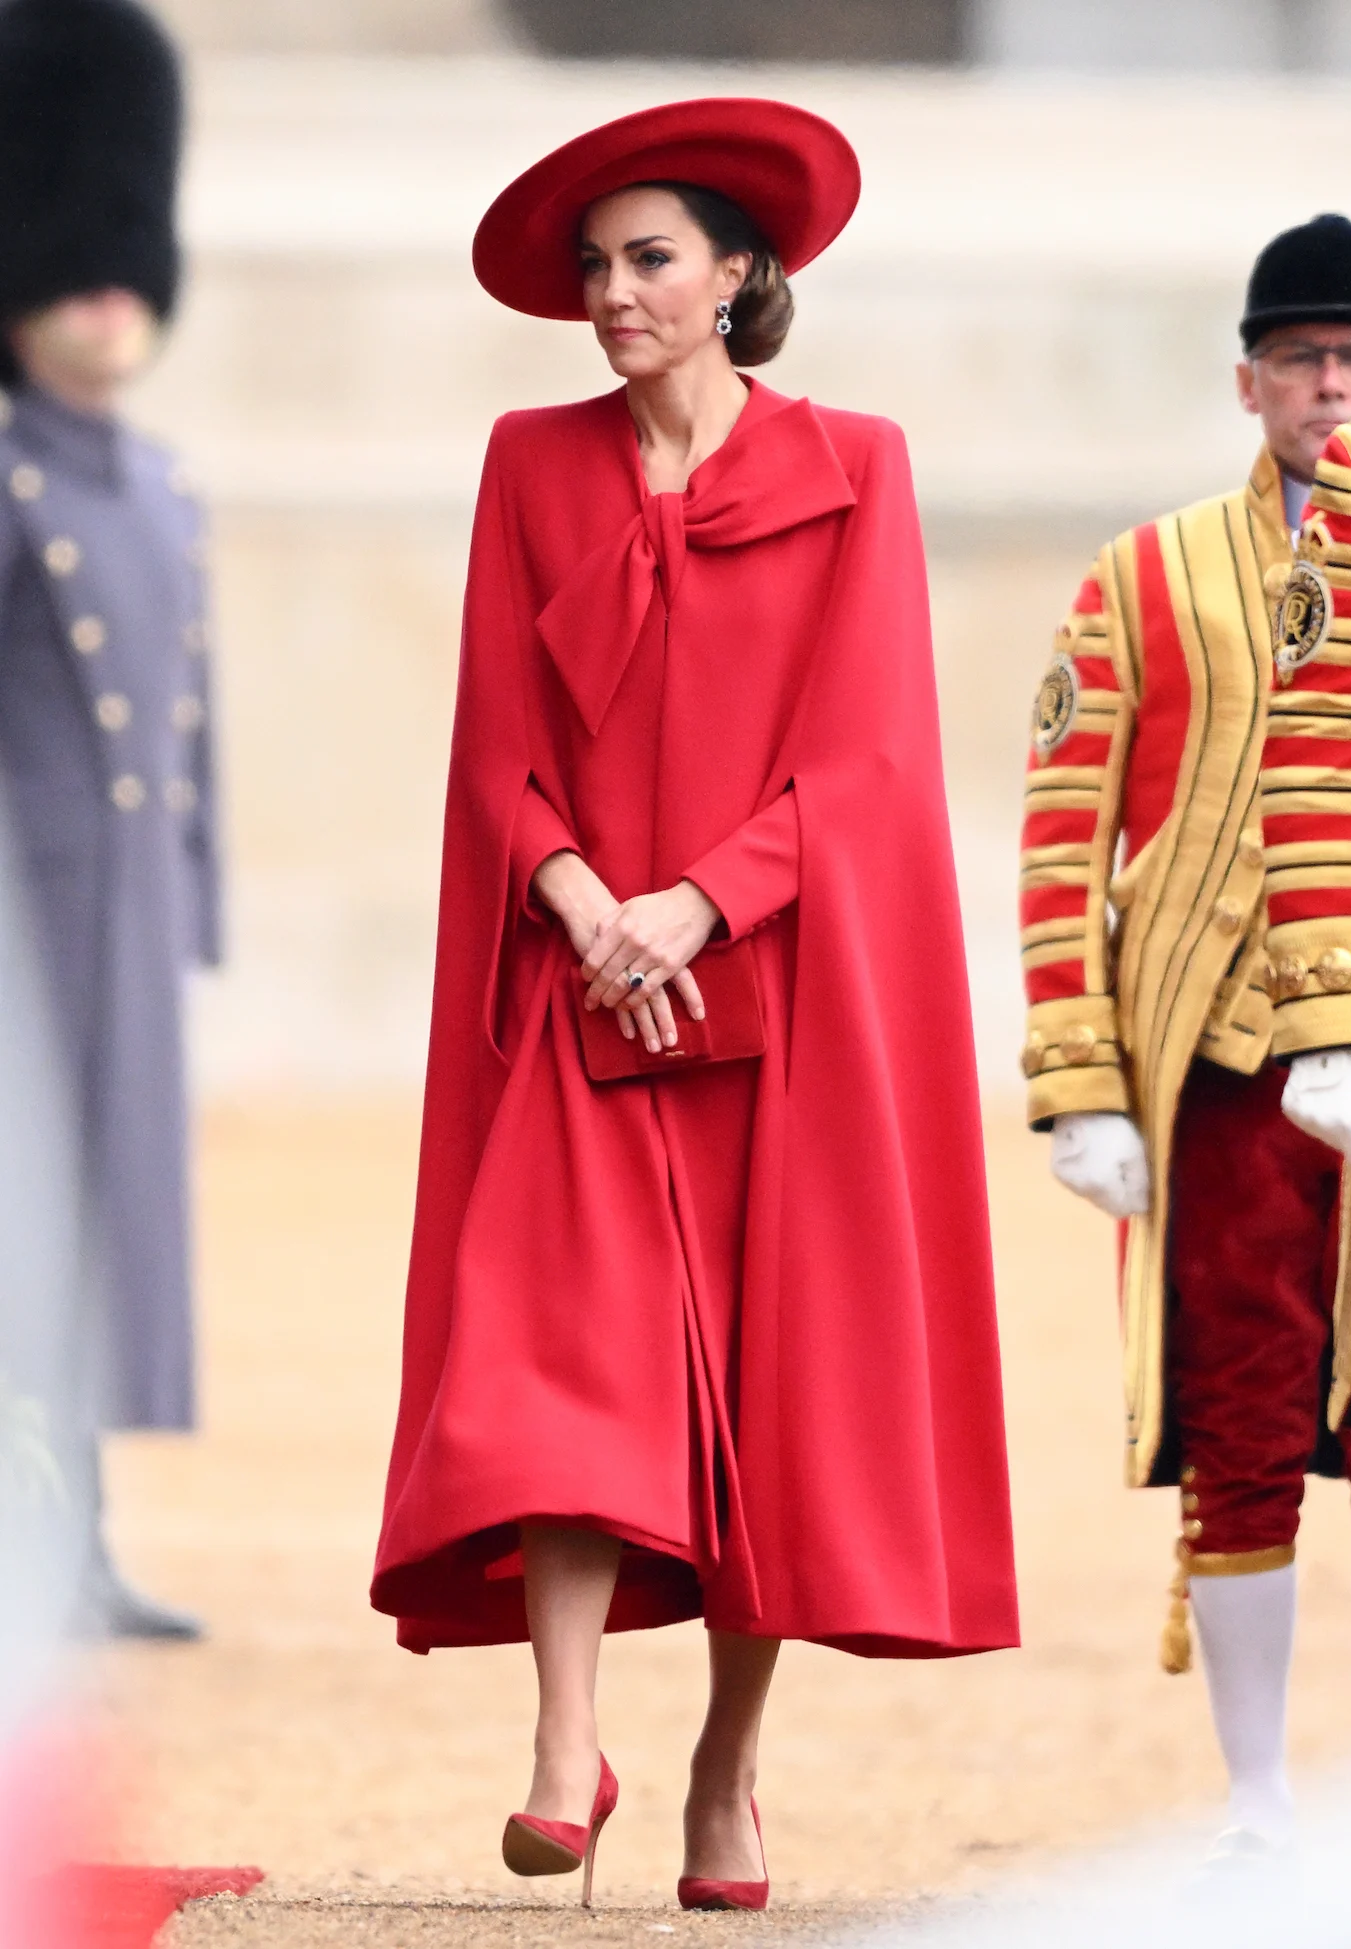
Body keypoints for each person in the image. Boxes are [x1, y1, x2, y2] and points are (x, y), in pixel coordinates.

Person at [372, 97, 1018, 1908]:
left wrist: (694, 907)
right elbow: (495, 742)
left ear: (742, 275)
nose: (611, 292)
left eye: (649, 258)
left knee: (763, 1406)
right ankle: (565, 1745)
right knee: (551, 1364)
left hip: (775, 1000)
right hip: (583, 990)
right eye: (595, 264)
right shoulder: (531, 463)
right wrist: (587, 909)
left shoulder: (860, 466)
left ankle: (727, 1777)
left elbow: (872, 760)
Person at [1018, 213, 1351, 1866]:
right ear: (1248, 380)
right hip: (1226, 1074)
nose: (1331, 385)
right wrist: (1080, 1078)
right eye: (1303, 358)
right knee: (1242, 1426)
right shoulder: (1144, 575)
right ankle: (1259, 1798)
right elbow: (1065, 827)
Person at [0, 0, 220, 1641]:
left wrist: (190, 908)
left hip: (118, 926)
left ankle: (74, 1543)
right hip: (21, 918)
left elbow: (188, 735)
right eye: (76, 262)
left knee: (97, 1240)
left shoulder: (155, 488)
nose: (107, 291)